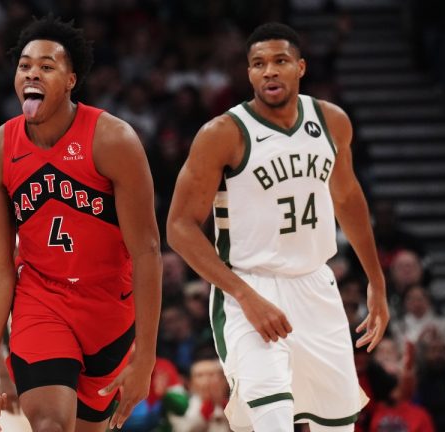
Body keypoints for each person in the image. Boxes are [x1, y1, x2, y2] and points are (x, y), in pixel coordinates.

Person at [166, 22, 389, 432]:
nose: (269, 70)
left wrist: (376, 279)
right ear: (248, 73)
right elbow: (179, 227)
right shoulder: (223, 133)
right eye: (258, 64)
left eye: (280, 61)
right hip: (250, 286)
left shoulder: (331, 121)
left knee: (338, 425)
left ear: (300, 67)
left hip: (316, 287)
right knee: (271, 421)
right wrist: (244, 296)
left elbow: (348, 198)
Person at [0, 16, 162, 432]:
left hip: (110, 310)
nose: (32, 73)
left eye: (47, 66)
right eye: (25, 65)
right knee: (49, 424)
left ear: (70, 80)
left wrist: (146, 358)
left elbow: (148, 251)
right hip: (41, 300)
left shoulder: (113, 140)